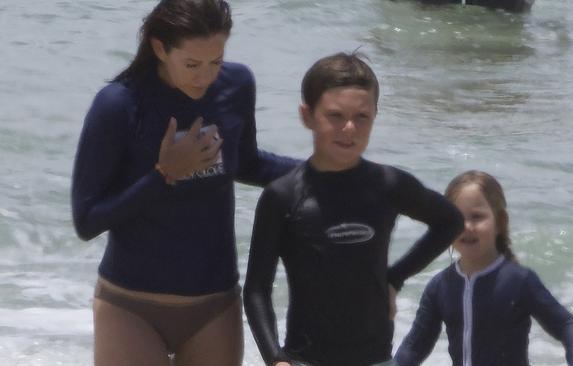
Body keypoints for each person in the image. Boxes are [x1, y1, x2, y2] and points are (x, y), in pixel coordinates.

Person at [71, 1, 296, 365]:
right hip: (131, 306)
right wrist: (164, 175)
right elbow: (87, 220)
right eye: (192, 64)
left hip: (213, 306)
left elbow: (248, 163)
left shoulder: (237, 85)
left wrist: (324, 171)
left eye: (216, 61)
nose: (204, 77)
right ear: (160, 48)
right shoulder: (119, 104)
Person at [243, 52, 465, 366]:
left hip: (375, 359)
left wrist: (395, 278)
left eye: (362, 117)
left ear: (375, 114)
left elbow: (450, 221)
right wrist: (274, 358)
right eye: (335, 115)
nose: (349, 128)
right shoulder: (282, 196)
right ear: (307, 115)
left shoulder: (388, 184)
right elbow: (256, 290)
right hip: (305, 359)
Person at [394, 170, 573, 366]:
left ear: (500, 223)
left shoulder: (518, 281)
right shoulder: (439, 287)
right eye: (458, 218)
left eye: (477, 217)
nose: (467, 226)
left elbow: (566, 325)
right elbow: (413, 349)